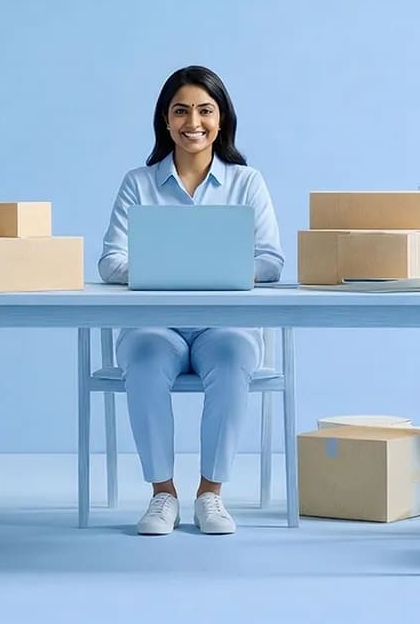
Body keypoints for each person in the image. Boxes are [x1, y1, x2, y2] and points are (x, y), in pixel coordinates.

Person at [98, 65, 285, 535]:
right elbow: (109, 262)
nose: (193, 122)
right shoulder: (138, 183)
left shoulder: (247, 182)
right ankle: (163, 494)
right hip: (155, 323)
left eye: (205, 110)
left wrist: (217, 273)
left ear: (222, 120)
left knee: (235, 354)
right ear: (165, 120)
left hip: (224, 324)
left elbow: (271, 261)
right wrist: (169, 274)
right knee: (141, 359)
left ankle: (210, 494)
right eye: (181, 111)